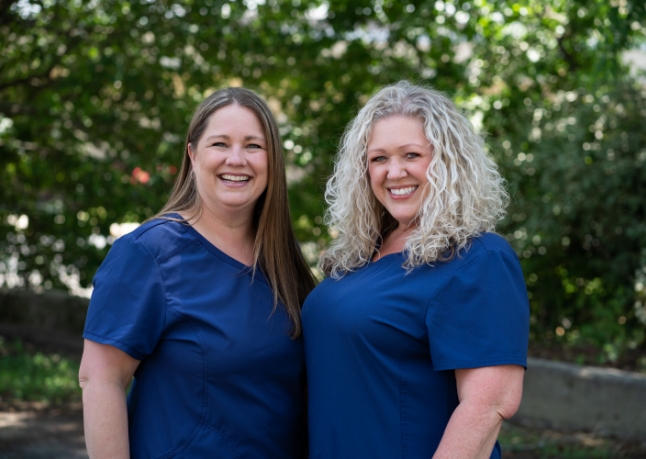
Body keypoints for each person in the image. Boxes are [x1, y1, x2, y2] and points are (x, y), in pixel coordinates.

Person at [79, 87, 316, 459]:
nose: (236, 159)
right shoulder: (149, 253)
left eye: (254, 146)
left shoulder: (283, 262)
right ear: (192, 154)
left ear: (273, 160)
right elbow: (100, 379)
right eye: (220, 144)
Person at [302, 81, 529, 459]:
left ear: (448, 161)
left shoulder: (478, 258)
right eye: (378, 159)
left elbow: (487, 408)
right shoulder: (359, 257)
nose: (394, 172)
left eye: (411, 154)